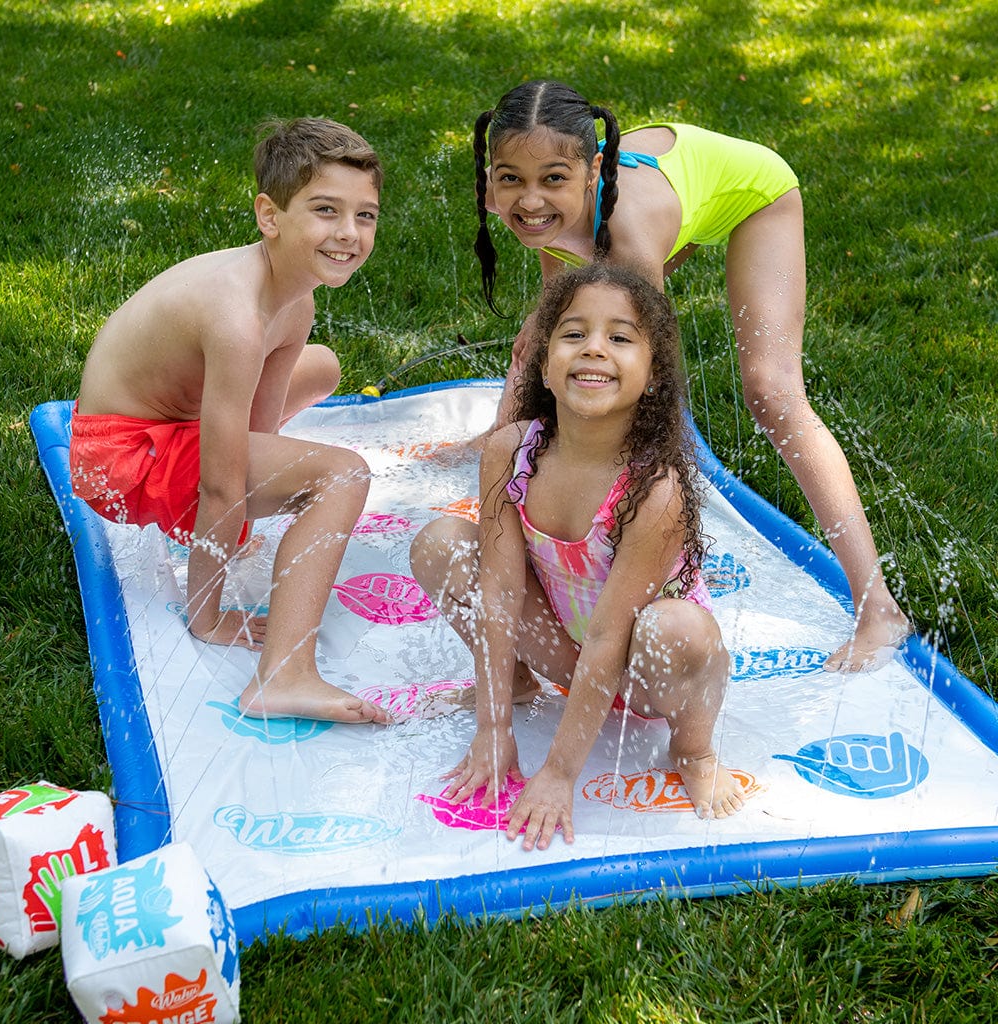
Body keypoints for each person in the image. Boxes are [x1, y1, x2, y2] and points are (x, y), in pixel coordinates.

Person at [471, 79, 910, 674]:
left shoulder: (624, 236)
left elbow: (649, 385)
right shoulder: (551, 207)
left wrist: (652, 516)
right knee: (546, 330)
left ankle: (878, 606)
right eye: (510, 180)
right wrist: (506, 442)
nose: (528, 201)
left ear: (591, 169)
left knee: (771, 392)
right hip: (665, 187)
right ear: (491, 174)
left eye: (552, 178)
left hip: (754, 192)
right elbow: (556, 330)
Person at [410, 262, 745, 852]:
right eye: (573, 334)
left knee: (682, 630)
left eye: (619, 337)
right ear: (544, 364)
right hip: (566, 651)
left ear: (655, 376)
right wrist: (493, 728)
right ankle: (515, 684)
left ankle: (694, 747)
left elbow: (613, 636)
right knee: (440, 544)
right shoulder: (511, 452)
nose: (594, 349)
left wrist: (559, 774)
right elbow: (499, 590)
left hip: (647, 672)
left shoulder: (654, 491)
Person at [70, 117, 390, 724]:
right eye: (326, 210)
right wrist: (209, 613)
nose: (349, 233)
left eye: (365, 215)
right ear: (270, 216)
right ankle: (284, 674)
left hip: (163, 426)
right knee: (343, 475)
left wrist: (247, 512)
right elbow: (223, 484)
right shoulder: (236, 316)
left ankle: (212, 519)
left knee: (322, 367)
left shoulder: (295, 300)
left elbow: (253, 438)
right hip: (118, 460)